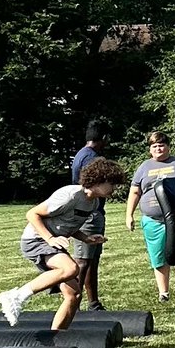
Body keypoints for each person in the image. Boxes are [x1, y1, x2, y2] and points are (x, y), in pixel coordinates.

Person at [0, 158, 128, 329]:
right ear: (98, 180)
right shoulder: (71, 195)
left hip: (52, 243)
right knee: (71, 269)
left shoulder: (93, 202)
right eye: (112, 184)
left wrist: (86, 238)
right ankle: (16, 296)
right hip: (36, 240)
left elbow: (68, 225)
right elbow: (32, 214)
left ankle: (57, 339)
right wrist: (50, 239)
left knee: (73, 295)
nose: (114, 189)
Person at [124, 131, 175, 303]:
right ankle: (163, 292)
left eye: (161, 145)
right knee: (157, 255)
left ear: (168, 146)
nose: (158, 148)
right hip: (153, 220)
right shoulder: (144, 167)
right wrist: (129, 214)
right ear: (150, 149)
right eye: (154, 146)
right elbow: (135, 191)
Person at [69, 120, 110, 310]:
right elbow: (91, 186)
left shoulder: (81, 155)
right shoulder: (92, 158)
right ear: (103, 138)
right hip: (89, 213)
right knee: (84, 261)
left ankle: (93, 303)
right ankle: (72, 303)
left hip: (91, 212)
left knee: (92, 260)